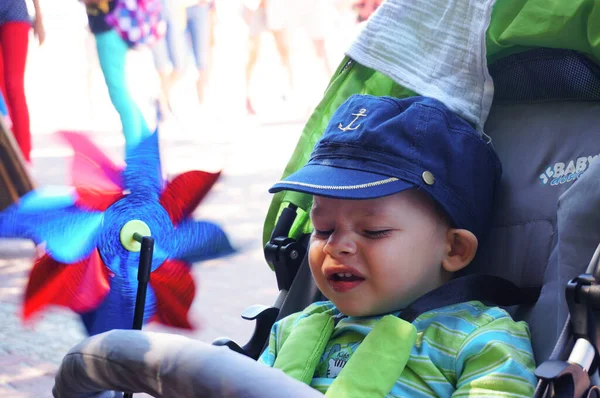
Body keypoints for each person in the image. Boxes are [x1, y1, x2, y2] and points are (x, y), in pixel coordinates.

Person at [263, 94, 537, 396]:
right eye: (323, 229)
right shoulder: (288, 331)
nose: (336, 246)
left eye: (373, 231)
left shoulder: (477, 340)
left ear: (454, 249)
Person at [82, 0, 151, 154]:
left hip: (109, 30)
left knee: (118, 93)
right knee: (120, 92)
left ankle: (135, 155)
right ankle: (146, 149)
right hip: (112, 28)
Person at [242, 0, 333, 115]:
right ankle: (248, 96)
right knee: (254, 53)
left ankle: (293, 93)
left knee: (285, 51)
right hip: (258, 7)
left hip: (279, 8)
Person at [0, 0, 45, 164]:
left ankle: (25, 160)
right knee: (1, 93)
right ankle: (7, 160)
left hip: (15, 12)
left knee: (14, 86)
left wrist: (39, 18)